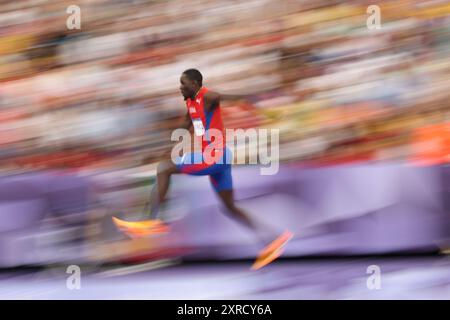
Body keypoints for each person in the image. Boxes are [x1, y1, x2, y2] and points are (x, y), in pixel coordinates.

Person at [113, 69, 293, 270]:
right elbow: (184, 127)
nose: (181, 87)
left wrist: (264, 109)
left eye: (184, 83)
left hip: (214, 157)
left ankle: (151, 221)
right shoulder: (190, 104)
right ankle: (273, 240)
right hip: (220, 160)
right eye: (180, 83)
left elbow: (237, 98)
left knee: (164, 170)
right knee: (229, 207)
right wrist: (166, 150)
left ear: (196, 84)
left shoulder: (207, 96)